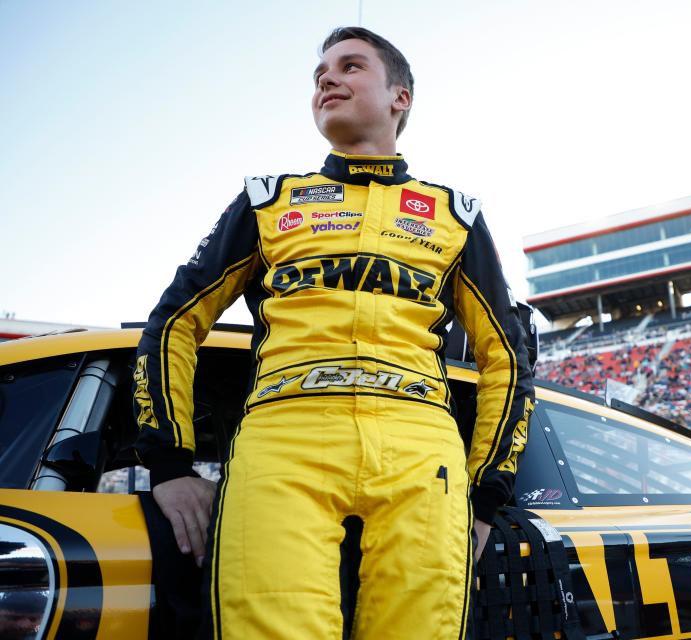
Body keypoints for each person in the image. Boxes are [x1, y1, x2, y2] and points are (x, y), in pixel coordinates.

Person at [132, 26, 534, 639]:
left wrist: (485, 499)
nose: (326, 79)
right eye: (320, 73)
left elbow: (507, 358)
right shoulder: (268, 202)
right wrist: (170, 466)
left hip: (422, 451)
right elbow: (174, 325)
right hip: (283, 441)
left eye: (350, 67)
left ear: (400, 98)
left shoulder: (456, 216)